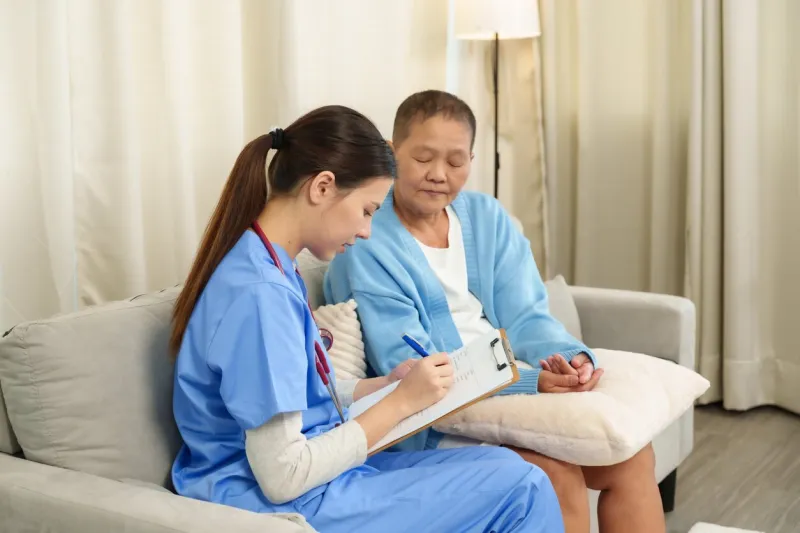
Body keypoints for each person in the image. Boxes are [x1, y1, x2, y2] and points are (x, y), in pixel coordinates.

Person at [168, 105, 564, 533]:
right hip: (272, 497)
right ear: (322, 187)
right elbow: (284, 474)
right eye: (368, 210)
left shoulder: (271, 266)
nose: (367, 231)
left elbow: (295, 395)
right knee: (522, 486)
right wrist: (400, 403)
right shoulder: (260, 296)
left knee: (507, 467)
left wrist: (384, 386)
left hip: (317, 477)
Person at [324, 91, 666, 533]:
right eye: (423, 158)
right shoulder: (366, 240)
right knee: (554, 475)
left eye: (455, 161)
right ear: (393, 152)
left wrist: (568, 359)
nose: (438, 175)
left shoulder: (487, 218)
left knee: (632, 455)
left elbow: (527, 316)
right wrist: (527, 381)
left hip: (515, 386)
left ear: (472, 159)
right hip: (436, 417)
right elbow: (409, 365)